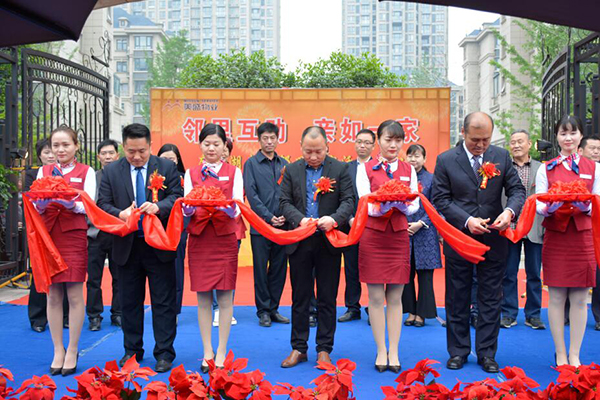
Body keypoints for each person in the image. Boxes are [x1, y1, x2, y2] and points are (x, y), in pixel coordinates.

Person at [431, 112, 525, 373]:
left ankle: (487, 353)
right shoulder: (446, 160)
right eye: (475, 140)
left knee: (491, 298)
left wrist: (509, 212)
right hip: (460, 237)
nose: (481, 145)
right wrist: (467, 220)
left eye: (486, 139)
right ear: (463, 133)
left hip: (494, 238)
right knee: (457, 296)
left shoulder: (501, 156)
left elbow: (517, 190)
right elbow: (441, 198)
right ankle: (458, 351)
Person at [97, 123, 182, 373]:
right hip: (127, 246)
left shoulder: (166, 167)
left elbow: (177, 197)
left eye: (142, 151)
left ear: (150, 146)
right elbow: (102, 204)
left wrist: (159, 207)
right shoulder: (112, 171)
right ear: (123, 147)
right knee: (129, 302)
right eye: (131, 151)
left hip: (158, 245)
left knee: (163, 302)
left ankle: (164, 353)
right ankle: (132, 350)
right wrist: (120, 213)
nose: (136, 156)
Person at [279, 126, 354, 368]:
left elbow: (349, 201)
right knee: (300, 297)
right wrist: (299, 219)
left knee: (327, 297)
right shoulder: (291, 170)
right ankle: (298, 348)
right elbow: (284, 201)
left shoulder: (340, 169)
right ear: (301, 148)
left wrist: (334, 219)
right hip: (300, 240)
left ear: (327, 148)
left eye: (318, 151)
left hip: (327, 240)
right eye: (308, 151)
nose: (313, 156)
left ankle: (324, 349)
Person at [356, 120, 420, 373]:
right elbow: (364, 201)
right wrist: (383, 206)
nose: (393, 145)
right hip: (373, 236)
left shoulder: (408, 169)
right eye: (388, 140)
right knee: (374, 297)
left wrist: (402, 205)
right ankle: (380, 349)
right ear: (378, 141)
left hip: (398, 236)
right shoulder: (365, 168)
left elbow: (415, 203)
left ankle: (394, 350)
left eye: (398, 140)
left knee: (395, 297)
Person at [33, 126, 97, 376]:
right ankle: (57, 348)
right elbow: (36, 205)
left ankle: (73, 348)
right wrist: (42, 203)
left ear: (76, 146)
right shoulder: (44, 171)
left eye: (65, 145)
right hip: (49, 235)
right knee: (53, 294)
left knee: (74, 293)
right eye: (55, 146)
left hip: (73, 235)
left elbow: (89, 206)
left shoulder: (86, 171)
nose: (60, 150)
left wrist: (70, 203)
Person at [535, 116, 599, 367]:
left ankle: (575, 354)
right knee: (557, 297)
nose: (568, 138)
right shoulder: (546, 168)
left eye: (573, 133)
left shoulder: (594, 168)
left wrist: (585, 206)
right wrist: (551, 207)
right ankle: (560, 352)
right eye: (563, 133)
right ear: (557, 137)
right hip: (557, 236)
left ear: (581, 136)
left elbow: (598, 202)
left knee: (581, 298)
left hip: (583, 237)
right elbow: (539, 204)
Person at [183, 123, 243, 372]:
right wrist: (188, 209)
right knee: (203, 298)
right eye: (206, 144)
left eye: (216, 144)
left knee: (226, 297)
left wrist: (227, 208)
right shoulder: (191, 173)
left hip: (224, 239)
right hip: (200, 239)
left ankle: (221, 350)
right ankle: (207, 350)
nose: (211, 148)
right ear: (200, 145)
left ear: (224, 146)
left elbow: (238, 208)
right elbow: (186, 207)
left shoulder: (234, 172)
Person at [243, 122, 290, 327]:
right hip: (260, 227)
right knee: (261, 270)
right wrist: (269, 217)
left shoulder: (285, 164)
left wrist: (285, 215)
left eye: (273, 138)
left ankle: (274, 309)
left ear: (278, 139)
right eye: (265, 138)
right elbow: (252, 196)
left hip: (283, 226)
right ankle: (262, 311)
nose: (269, 142)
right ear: (259, 140)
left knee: (279, 269)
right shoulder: (251, 164)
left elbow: (290, 193)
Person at [500, 130, 545, 330]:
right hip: (510, 227)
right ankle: (509, 314)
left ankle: (533, 315)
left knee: (534, 273)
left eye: (520, 141)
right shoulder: (503, 167)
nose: (516, 145)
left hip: (534, 226)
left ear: (529, 144)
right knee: (508, 273)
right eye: (513, 142)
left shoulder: (541, 168)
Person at [25, 138, 69, 333]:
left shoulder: (65, 173)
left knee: (64, 271)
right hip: (40, 228)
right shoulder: (32, 175)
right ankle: (38, 317)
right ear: (40, 156)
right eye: (46, 152)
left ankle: (65, 316)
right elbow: (29, 200)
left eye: (53, 151)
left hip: (63, 228)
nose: (51, 155)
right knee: (40, 270)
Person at [402, 144, 442, 328]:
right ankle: (411, 311)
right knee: (406, 274)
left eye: (417, 156)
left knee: (425, 276)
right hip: (404, 232)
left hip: (425, 232)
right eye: (410, 155)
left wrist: (420, 223)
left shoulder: (432, 179)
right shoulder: (401, 179)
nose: (413, 159)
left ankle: (422, 314)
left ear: (424, 159)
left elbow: (437, 205)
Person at [338, 129, 375, 323]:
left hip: (374, 227)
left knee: (373, 269)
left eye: (367, 142)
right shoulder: (346, 169)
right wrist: (350, 218)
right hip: (350, 225)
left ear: (373, 146)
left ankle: (374, 308)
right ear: (354, 144)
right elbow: (342, 196)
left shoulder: (379, 167)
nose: (362, 145)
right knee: (351, 267)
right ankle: (353, 307)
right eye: (359, 141)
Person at [87, 139, 121, 331]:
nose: (107, 157)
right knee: (93, 279)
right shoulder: (92, 177)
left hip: (117, 233)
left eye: (111, 153)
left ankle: (118, 313)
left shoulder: (123, 177)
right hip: (95, 233)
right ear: (98, 156)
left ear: (117, 155)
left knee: (119, 277)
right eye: (104, 153)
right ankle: (94, 316)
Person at [157, 143, 187, 319]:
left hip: (178, 229)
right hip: (157, 228)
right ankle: (160, 307)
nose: (168, 162)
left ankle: (174, 310)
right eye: (164, 159)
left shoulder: (185, 178)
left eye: (172, 159)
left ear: (178, 160)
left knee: (176, 270)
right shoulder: (153, 178)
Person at [211, 137, 238, 327]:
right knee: (212, 271)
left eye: (225, 149)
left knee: (228, 270)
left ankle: (227, 307)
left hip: (231, 227)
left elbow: (238, 203)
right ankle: (216, 309)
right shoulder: (200, 173)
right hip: (207, 228)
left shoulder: (234, 173)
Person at [578, 135, 600, 331]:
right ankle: (567, 312)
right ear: (581, 150)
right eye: (592, 148)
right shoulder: (575, 171)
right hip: (583, 227)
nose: (596, 152)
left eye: (598, 149)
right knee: (578, 271)